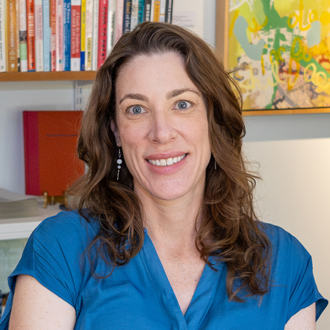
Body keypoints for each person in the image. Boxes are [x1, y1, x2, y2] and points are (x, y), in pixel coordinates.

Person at [0, 22, 327, 330]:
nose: (161, 132)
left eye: (182, 104)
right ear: (115, 129)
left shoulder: (284, 261)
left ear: (212, 119)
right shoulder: (61, 248)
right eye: (136, 109)